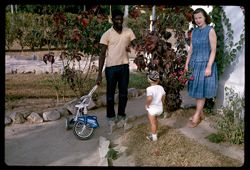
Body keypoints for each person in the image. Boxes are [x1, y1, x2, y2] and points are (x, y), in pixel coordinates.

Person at [96, 9, 136, 131]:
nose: (119, 21)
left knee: (123, 94)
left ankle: (121, 117)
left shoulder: (128, 32)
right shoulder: (106, 34)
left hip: (124, 67)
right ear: (112, 20)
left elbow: (135, 44)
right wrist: (99, 74)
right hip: (111, 69)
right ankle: (111, 119)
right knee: (110, 95)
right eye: (116, 19)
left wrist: (132, 47)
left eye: (121, 19)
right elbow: (102, 54)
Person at [184, 8, 218, 128]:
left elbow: (213, 50)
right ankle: (201, 113)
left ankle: (197, 115)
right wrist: (186, 64)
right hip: (194, 64)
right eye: (196, 18)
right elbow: (191, 49)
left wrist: (209, 66)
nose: (198, 20)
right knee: (196, 89)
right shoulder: (194, 32)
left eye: (200, 17)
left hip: (205, 65)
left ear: (205, 17)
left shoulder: (210, 30)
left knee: (201, 92)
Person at [145, 70, 166, 141]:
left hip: (152, 109)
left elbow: (150, 98)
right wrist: (162, 103)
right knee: (155, 121)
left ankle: (154, 137)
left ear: (148, 80)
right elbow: (163, 96)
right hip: (160, 109)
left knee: (152, 123)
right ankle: (155, 132)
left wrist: (147, 105)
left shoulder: (149, 89)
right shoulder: (161, 87)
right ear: (158, 80)